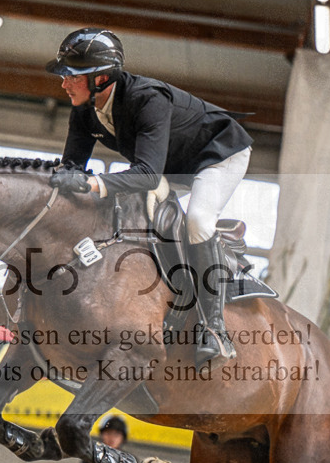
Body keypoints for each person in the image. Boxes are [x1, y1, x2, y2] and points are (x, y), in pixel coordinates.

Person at [45, 28, 254, 369]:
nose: (63, 83)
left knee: (198, 219)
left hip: (216, 154)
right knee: (130, 211)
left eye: (71, 76)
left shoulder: (147, 98)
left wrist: (94, 184)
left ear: (100, 78)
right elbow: (71, 170)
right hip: (167, 163)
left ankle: (214, 328)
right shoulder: (83, 110)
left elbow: (146, 176)